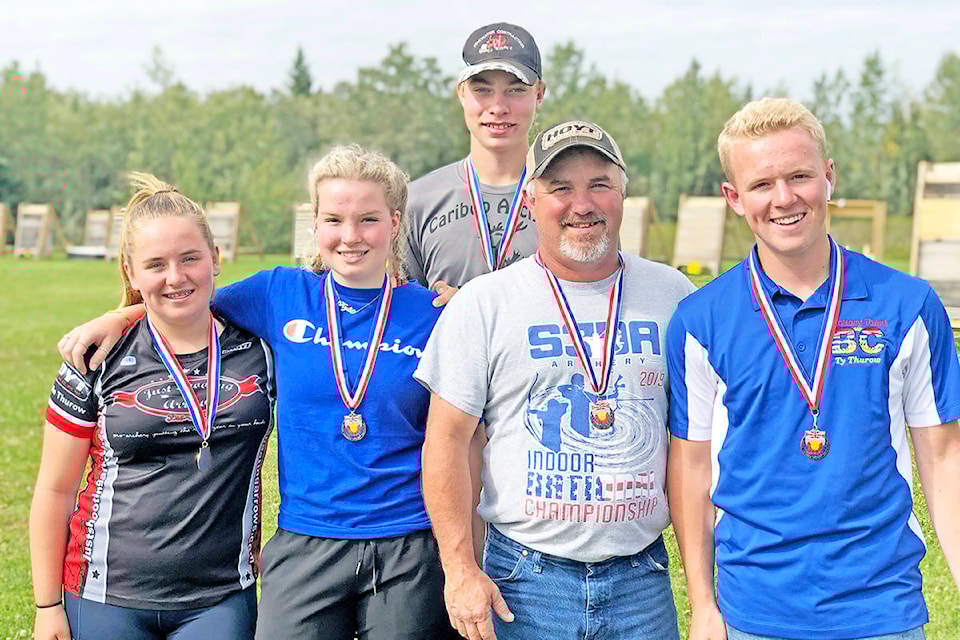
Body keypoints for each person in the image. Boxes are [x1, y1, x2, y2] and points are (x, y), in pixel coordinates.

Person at [56, 146, 457, 640]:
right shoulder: (277, 294)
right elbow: (185, 299)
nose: (350, 236)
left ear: (394, 223)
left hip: (407, 540)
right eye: (334, 219)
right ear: (315, 223)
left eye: (368, 219)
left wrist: (465, 303)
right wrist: (119, 315)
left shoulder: (436, 314)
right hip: (306, 539)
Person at [666, 97, 960, 640]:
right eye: (761, 184)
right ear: (734, 198)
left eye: (799, 176)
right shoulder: (700, 320)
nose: (784, 198)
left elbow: (944, 458)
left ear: (829, 176)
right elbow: (691, 468)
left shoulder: (908, 305)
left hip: (881, 609)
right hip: (754, 612)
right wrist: (703, 606)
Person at [416, 119, 694, 640]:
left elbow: (693, 443)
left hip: (641, 580)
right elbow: (447, 440)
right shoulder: (485, 302)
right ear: (529, 202)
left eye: (599, 185)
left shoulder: (673, 295)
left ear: (623, 195)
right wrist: (459, 569)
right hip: (524, 581)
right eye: (561, 188)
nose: (581, 205)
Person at [31, 173, 275, 640]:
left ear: (216, 258)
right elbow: (55, 490)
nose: (176, 277)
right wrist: (47, 607)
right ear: (131, 273)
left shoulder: (261, 352)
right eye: (156, 264)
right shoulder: (95, 358)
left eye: (190, 258)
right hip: (105, 595)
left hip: (221, 596)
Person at [405, 21, 546, 304]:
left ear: (539, 94)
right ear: (461, 93)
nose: (498, 107)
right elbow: (402, 312)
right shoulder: (416, 203)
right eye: (482, 90)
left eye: (516, 90)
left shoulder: (570, 200)